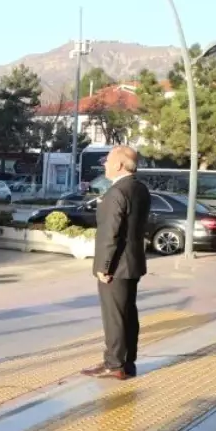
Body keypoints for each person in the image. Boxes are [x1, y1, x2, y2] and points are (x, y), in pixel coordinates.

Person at [82, 146, 151, 380]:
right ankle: (127, 362)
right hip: (132, 262)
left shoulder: (117, 192)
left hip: (117, 265)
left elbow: (111, 232)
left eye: (108, 161)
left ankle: (114, 364)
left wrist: (104, 266)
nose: (105, 165)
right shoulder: (140, 188)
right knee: (128, 314)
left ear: (120, 165)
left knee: (114, 316)